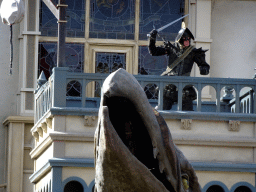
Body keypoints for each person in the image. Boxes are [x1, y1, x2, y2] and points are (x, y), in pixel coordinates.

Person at [148, 27, 210, 111]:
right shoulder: (171, 48)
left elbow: (204, 65)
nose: (187, 40)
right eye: (184, 38)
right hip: (169, 86)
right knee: (162, 112)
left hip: (185, 87)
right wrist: (152, 38)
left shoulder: (193, 52)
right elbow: (154, 51)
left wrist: (204, 69)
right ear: (180, 39)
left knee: (187, 115)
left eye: (188, 38)